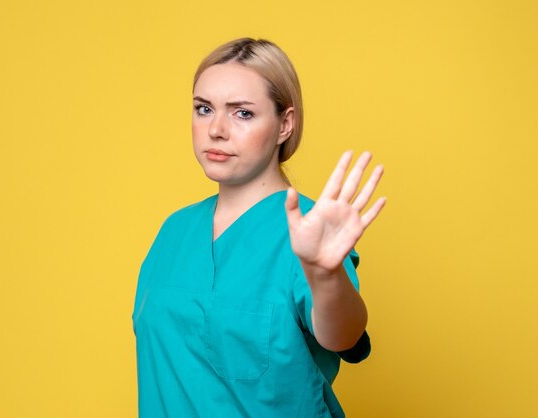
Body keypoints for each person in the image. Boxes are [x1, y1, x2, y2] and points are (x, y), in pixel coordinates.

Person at [131, 37, 386, 418]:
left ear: (285, 124)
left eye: (242, 113)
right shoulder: (174, 231)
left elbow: (343, 337)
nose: (216, 129)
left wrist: (325, 274)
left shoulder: (309, 231)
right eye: (204, 109)